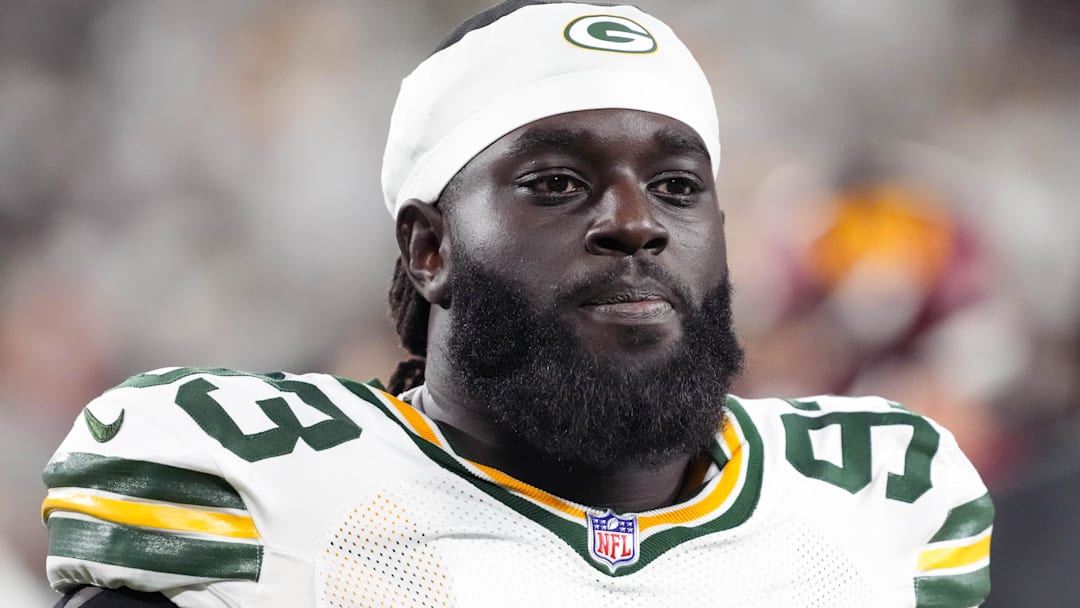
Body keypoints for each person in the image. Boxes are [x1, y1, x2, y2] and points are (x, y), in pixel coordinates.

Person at [40, 1, 993, 606]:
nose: (635, 224)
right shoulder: (265, 497)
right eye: (555, 183)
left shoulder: (876, 503)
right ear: (429, 248)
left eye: (675, 186)